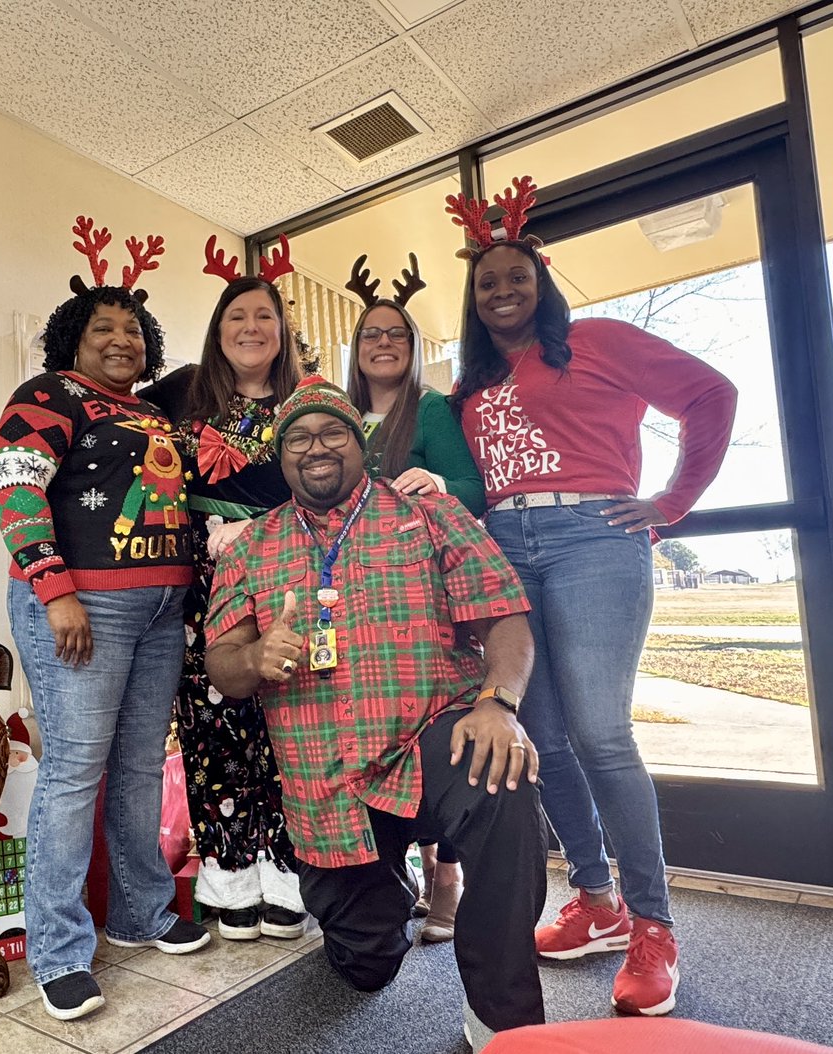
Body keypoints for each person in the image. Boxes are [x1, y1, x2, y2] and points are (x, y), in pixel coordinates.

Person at [448, 176, 737, 1017]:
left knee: (602, 732)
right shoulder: (470, 386)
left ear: (542, 284)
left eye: (518, 277)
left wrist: (672, 502)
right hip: (506, 544)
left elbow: (711, 396)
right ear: (474, 301)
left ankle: (654, 927)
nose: (503, 291)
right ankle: (597, 903)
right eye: (487, 282)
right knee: (543, 738)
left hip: (593, 542)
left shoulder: (601, 339)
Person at [203, 377, 549, 1052]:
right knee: (364, 965)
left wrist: (500, 703)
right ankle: (391, 892)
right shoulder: (250, 548)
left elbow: (505, 613)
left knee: (504, 780)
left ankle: (504, 1021)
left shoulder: (428, 515)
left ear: (361, 444)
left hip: (430, 736)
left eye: (332, 431)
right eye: (298, 437)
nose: (316, 447)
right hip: (327, 779)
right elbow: (223, 665)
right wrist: (255, 657)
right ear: (282, 458)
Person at [0, 216, 210, 1022]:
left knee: (140, 769)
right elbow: (15, 490)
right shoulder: (46, 395)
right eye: (101, 326)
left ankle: (141, 912)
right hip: (84, 604)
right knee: (75, 770)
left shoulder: (153, 411)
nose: (119, 338)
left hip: (161, 607)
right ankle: (56, 951)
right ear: (72, 340)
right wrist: (55, 590)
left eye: (132, 328)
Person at [136, 239, 306, 942]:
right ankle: (228, 873)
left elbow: (340, 473)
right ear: (218, 329)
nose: (250, 329)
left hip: (285, 570)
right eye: (237, 316)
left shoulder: (308, 397)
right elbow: (113, 421)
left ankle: (289, 872)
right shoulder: (180, 391)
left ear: (282, 329)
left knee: (288, 715)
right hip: (201, 577)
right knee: (212, 717)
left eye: (264, 317)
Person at [343, 253, 485, 943]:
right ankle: (392, 876)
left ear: (412, 345)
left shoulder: (430, 408)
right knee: (378, 730)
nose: (384, 342)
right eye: (371, 332)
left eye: (396, 332)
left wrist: (434, 480)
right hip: (356, 602)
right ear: (357, 347)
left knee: (434, 723)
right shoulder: (336, 415)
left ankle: (447, 876)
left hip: (424, 595)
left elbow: (473, 489)